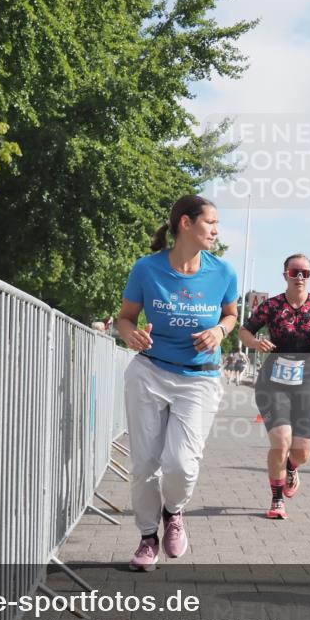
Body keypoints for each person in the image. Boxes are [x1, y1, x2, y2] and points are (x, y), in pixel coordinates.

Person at [116, 195, 238, 571]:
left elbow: (231, 315)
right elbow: (125, 318)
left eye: (217, 224)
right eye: (211, 223)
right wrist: (130, 335)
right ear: (186, 223)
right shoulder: (146, 269)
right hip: (150, 372)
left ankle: (175, 511)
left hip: (199, 379)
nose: (216, 231)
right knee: (144, 464)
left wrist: (219, 330)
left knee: (181, 464)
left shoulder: (223, 272)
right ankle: (148, 537)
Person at [239, 254, 310, 519]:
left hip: (307, 379)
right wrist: (256, 343)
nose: (300, 277)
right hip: (274, 379)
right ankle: (276, 501)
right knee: (281, 440)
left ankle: (292, 468)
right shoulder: (272, 305)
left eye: (305, 273)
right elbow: (244, 330)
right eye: (295, 271)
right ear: (285, 273)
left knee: (302, 452)